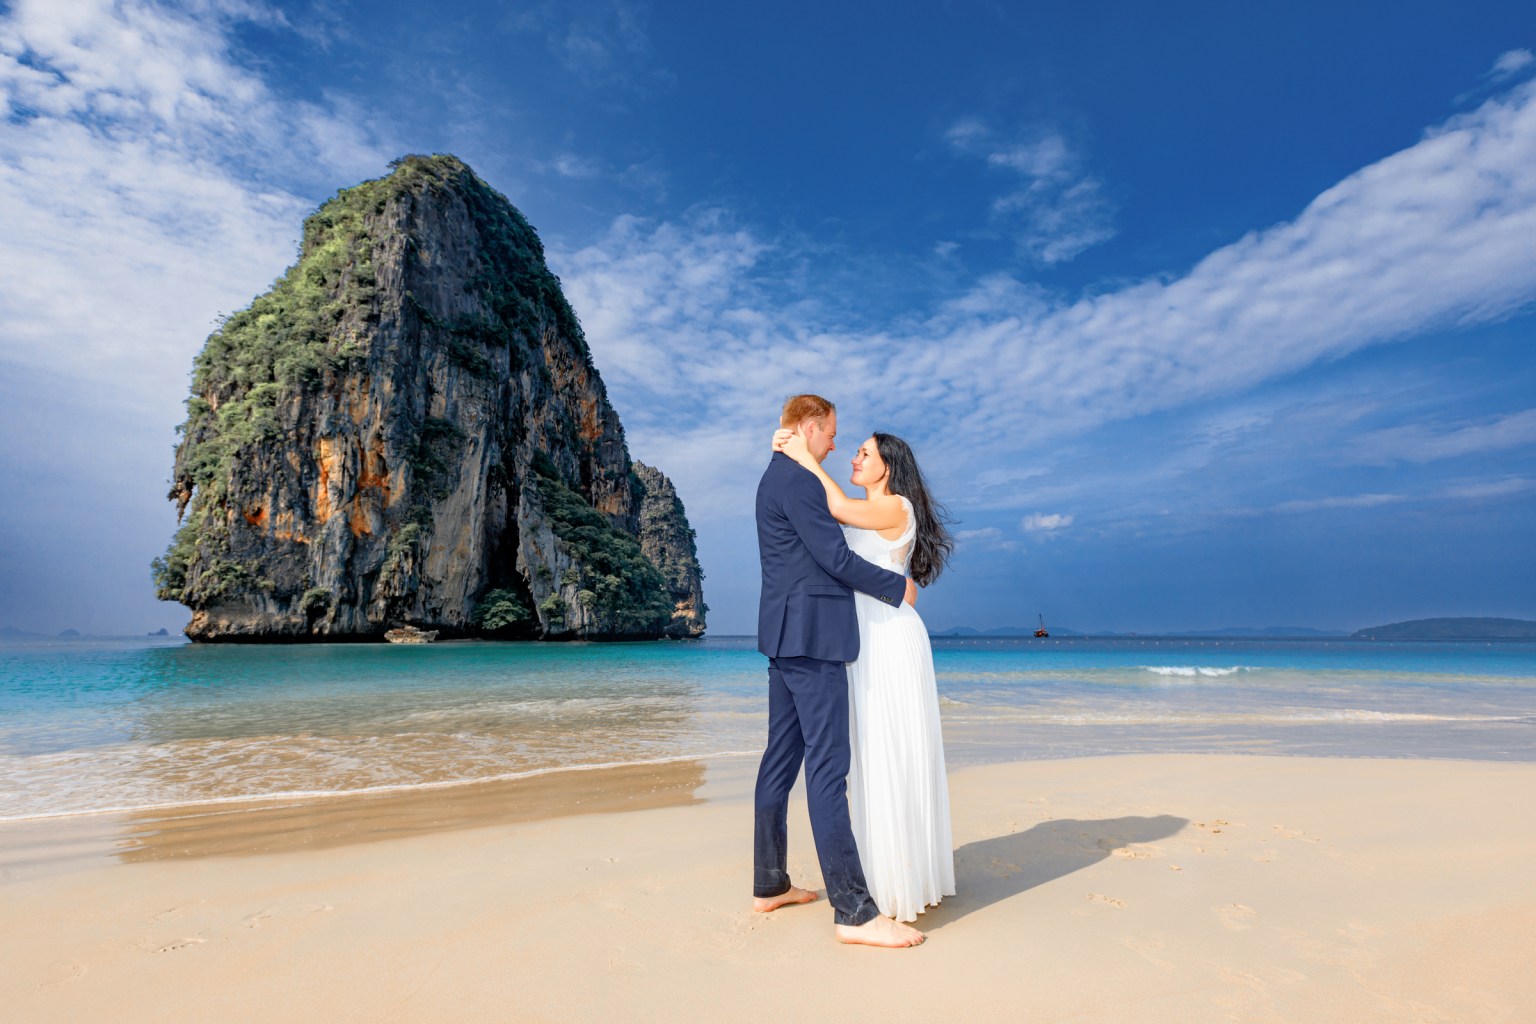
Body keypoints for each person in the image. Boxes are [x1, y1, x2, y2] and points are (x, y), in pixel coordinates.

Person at [753, 394, 927, 948]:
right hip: (815, 641)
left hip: (784, 636)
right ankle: (853, 912)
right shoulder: (801, 481)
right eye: (830, 433)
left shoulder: (774, 475)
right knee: (829, 771)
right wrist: (895, 588)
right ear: (809, 426)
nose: (834, 444)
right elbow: (836, 559)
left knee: (781, 758)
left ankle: (769, 883)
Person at [772, 423, 956, 923]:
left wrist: (804, 458)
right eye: (851, 450)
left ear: (888, 467)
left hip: (890, 638)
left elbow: (837, 509)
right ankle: (881, 873)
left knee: (891, 749)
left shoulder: (897, 506)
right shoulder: (870, 509)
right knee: (871, 753)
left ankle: (900, 882)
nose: (852, 457)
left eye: (863, 453)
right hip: (862, 639)